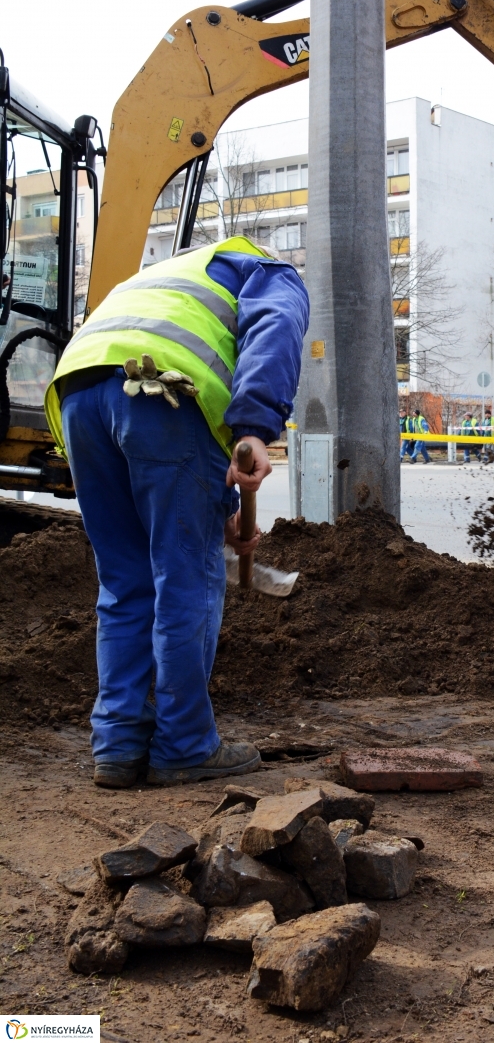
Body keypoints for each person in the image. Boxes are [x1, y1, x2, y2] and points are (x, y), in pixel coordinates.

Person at [44, 236, 309, 789]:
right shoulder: (269, 269)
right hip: (161, 394)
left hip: (79, 396)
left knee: (124, 584)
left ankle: (118, 745)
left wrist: (224, 512)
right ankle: (184, 745)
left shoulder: (167, 276)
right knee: (185, 580)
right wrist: (254, 428)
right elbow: (276, 327)